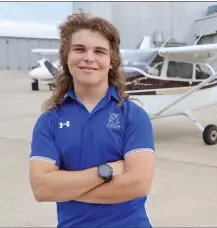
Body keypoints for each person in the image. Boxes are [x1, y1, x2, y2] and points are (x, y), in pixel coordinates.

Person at [29, 13, 155, 228]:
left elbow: (138, 184)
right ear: (66, 57)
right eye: (80, 49)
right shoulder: (48, 121)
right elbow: (42, 188)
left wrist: (66, 189)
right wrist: (105, 171)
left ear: (111, 61)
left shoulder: (134, 116)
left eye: (99, 51)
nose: (89, 57)